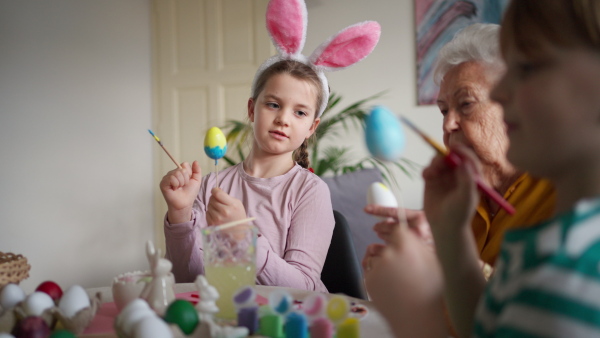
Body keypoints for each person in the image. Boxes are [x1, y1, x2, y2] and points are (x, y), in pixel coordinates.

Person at [365, 0, 600, 336]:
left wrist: (415, 314)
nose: (504, 91)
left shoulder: (577, 267)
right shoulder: (547, 241)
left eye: (528, 68)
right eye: (443, 110)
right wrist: (449, 237)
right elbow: (487, 326)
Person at [160, 0, 380, 292]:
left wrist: (244, 237)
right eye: (273, 104)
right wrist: (180, 215)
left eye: (299, 112)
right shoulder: (210, 185)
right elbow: (185, 282)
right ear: (252, 110)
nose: (283, 119)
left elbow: (302, 288)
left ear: (311, 127)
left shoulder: (309, 192)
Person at [366, 23, 556, 268]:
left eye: (466, 104)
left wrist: (447, 253)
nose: (448, 124)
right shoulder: (454, 193)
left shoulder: (564, 190)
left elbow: (535, 301)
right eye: (444, 110)